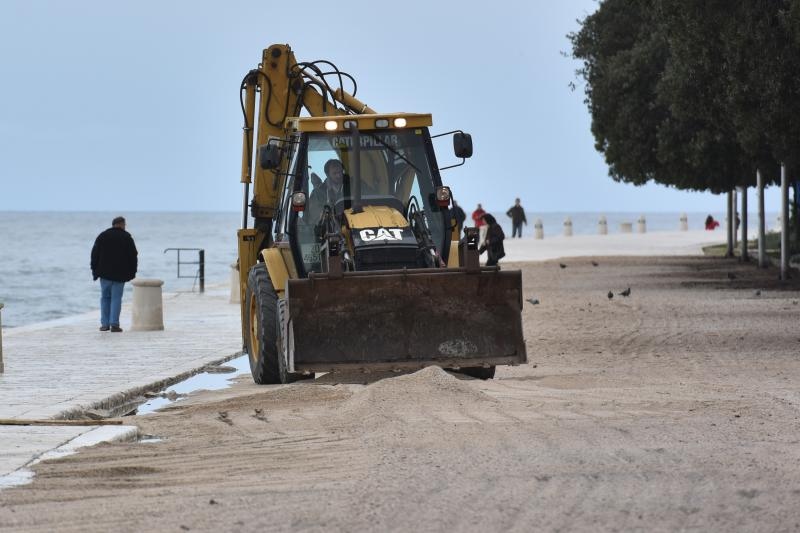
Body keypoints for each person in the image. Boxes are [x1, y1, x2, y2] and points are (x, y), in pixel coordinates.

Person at [91, 216, 138, 332]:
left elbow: (94, 254)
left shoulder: (102, 236)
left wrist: (94, 270)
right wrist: (132, 272)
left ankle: (104, 324)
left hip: (104, 274)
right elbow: (133, 256)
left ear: (113, 224)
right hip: (120, 274)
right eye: (125, 225)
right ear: (121, 224)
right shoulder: (126, 237)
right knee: (116, 298)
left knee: (105, 298)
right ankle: (114, 324)